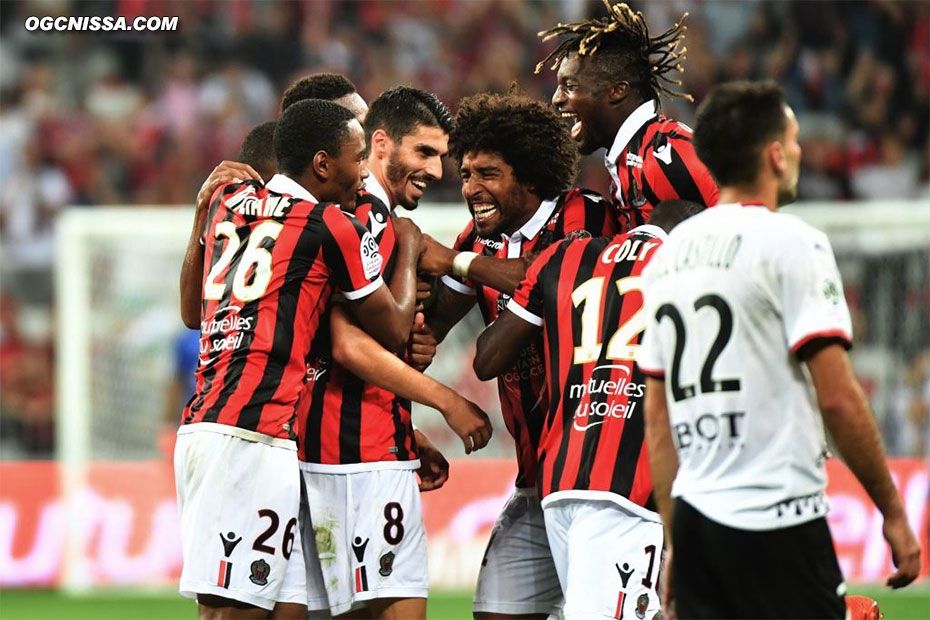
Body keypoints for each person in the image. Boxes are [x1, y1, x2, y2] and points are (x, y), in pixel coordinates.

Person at [638, 81, 922, 619]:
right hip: (778, 519)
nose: (797, 151)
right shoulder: (792, 242)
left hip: (698, 525)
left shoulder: (668, 256)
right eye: (793, 139)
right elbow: (837, 399)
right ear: (774, 153)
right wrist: (892, 511)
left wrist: (676, 543)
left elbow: (658, 419)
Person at [174, 99, 420, 620]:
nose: (365, 176)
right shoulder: (330, 225)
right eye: (358, 159)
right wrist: (412, 248)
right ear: (323, 163)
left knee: (289, 608)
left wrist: (200, 214)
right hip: (245, 437)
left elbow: (191, 313)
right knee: (227, 612)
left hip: (236, 428)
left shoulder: (227, 200)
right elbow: (394, 326)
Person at [413, 91, 618, 620]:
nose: (470, 189)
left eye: (487, 174)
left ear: (528, 177)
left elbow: (533, 281)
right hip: (535, 474)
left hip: (600, 470)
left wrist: (457, 263)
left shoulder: (593, 220)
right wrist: (412, 306)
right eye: (465, 174)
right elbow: (429, 327)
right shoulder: (476, 241)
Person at [299, 85, 491, 620]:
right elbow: (349, 342)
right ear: (380, 144)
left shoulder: (353, 215)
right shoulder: (368, 218)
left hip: (338, 447)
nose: (436, 170)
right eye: (424, 153)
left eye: (442, 157)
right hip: (357, 458)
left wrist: (409, 429)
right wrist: (446, 401)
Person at [472, 199, 703, 620]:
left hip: (559, 480)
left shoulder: (566, 256)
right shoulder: (687, 266)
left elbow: (487, 358)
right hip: (627, 491)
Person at [537, 0, 718, 230]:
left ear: (617, 91)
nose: (556, 99)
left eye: (569, 86)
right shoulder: (627, 162)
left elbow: (743, 221)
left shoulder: (668, 152)